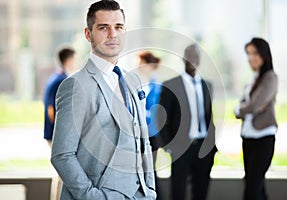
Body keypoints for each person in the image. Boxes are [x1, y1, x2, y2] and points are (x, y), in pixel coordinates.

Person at [50, 1, 156, 199]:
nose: (113, 34)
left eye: (119, 27)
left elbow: (144, 142)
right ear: (88, 34)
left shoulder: (132, 80)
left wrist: (149, 190)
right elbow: (62, 155)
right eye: (103, 27)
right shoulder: (75, 85)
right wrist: (93, 196)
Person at [158, 43, 217, 200]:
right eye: (189, 56)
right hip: (181, 147)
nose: (193, 60)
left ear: (200, 60)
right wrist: (169, 146)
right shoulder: (171, 85)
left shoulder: (207, 85)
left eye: (196, 56)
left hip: (204, 147)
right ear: (183, 59)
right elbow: (161, 118)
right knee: (178, 191)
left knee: (201, 190)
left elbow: (209, 116)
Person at [234, 38, 278, 200]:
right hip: (248, 137)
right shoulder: (254, 79)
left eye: (255, 53)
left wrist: (241, 109)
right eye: (249, 53)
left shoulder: (270, 78)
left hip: (263, 138)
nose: (251, 57)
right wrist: (245, 107)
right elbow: (250, 105)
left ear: (264, 54)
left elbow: (253, 105)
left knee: (252, 189)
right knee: (255, 186)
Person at [137, 51, 162, 199]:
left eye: (141, 63)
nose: (138, 66)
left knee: (150, 170)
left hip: (152, 134)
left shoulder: (157, 86)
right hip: (139, 133)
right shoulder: (140, 84)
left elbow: (155, 111)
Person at [43, 47, 77, 146]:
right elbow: (51, 108)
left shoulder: (58, 77)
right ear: (69, 61)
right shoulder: (60, 81)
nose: (77, 63)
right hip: (57, 132)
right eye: (76, 59)